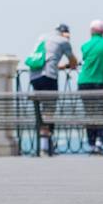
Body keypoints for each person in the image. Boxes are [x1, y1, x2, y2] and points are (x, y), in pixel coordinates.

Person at [28, 23, 78, 153]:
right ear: (65, 33)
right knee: (49, 110)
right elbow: (73, 62)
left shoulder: (43, 37)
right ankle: (45, 145)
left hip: (34, 76)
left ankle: (43, 143)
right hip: (48, 77)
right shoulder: (64, 41)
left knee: (41, 110)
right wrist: (69, 65)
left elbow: (46, 58)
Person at [77, 19, 103, 155]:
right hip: (102, 81)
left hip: (85, 82)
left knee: (90, 113)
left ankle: (92, 143)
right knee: (102, 113)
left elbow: (84, 60)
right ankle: (100, 141)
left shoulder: (85, 46)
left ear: (91, 32)